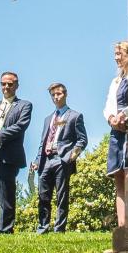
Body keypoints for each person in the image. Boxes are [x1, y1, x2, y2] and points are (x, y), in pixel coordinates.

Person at [31, 83, 87, 233]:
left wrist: (71, 156)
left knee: (62, 196)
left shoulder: (75, 116)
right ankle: (42, 228)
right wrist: (37, 161)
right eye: (53, 95)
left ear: (65, 94)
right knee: (43, 196)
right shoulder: (47, 119)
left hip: (62, 159)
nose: (56, 97)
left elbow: (82, 140)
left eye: (59, 94)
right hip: (45, 160)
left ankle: (59, 229)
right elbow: (42, 142)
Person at [0, 71, 32, 234]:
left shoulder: (24, 105)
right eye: (3, 83)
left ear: (16, 85)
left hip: (7, 156)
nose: (6, 87)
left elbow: (20, 126)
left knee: (6, 196)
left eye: (10, 84)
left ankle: (6, 230)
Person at [104, 41, 128, 227]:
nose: (116, 57)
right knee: (119, 178)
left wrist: (125, 115)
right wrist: (111, 117)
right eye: (115, 54)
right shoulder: (116, 82)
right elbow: (108, 106)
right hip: (117, 133)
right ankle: (122, 226)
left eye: (119, 53)